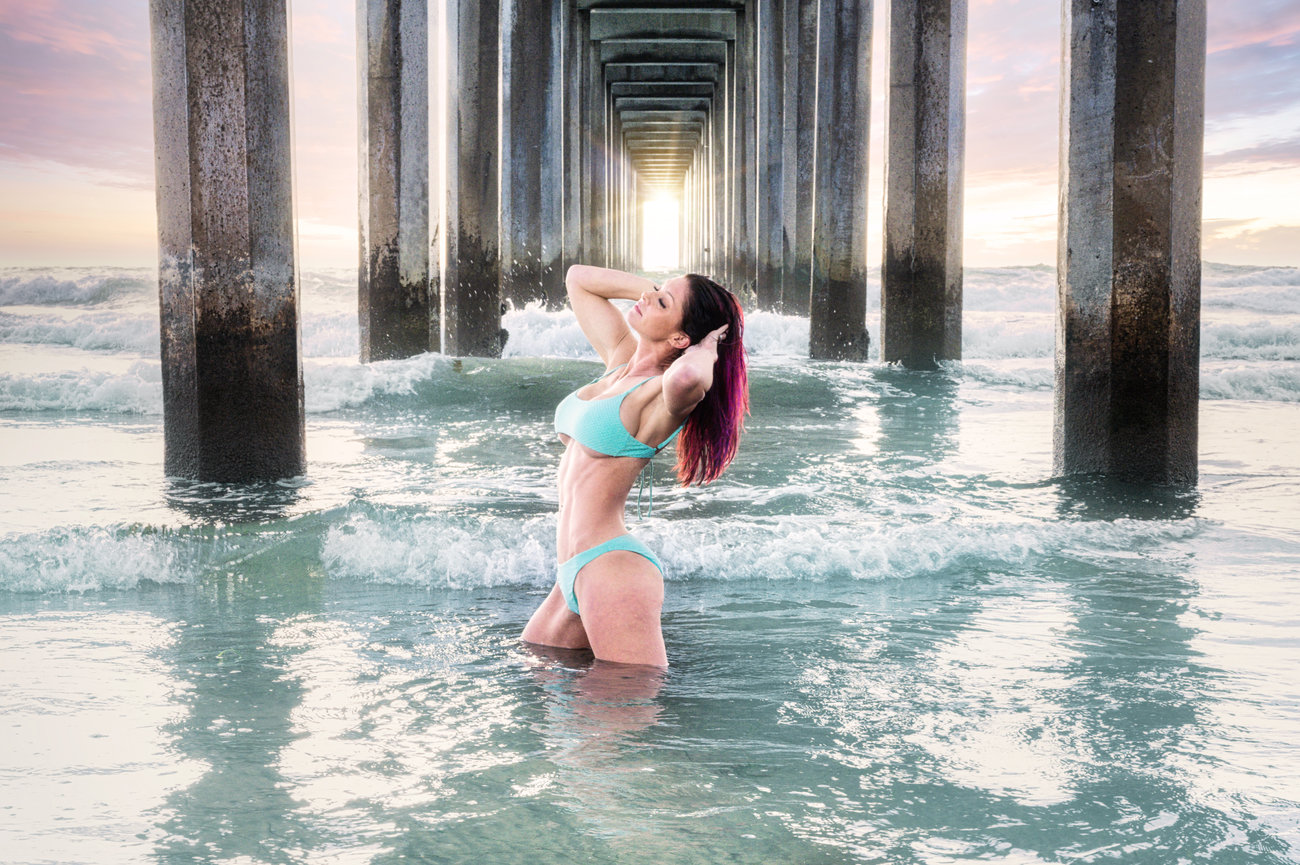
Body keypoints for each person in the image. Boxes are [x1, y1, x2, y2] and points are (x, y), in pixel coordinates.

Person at [521, 265, 749, 668]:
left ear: (680, 338)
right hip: (572, 572)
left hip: (612, 569)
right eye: (655, 290)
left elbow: (688, 380)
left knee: (626, 714)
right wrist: (657, 292)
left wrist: (707, 347)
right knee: (551, 701)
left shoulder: (660, 394)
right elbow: (578, 279)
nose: (645, 298)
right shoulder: (620, 358)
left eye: (662, 302)